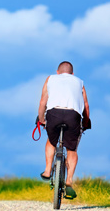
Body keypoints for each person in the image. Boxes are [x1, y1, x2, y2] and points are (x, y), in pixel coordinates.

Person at [37, 61, 90, 199]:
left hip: (53, 114)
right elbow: (86, 106)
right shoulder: (79, 82)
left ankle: (48, 170)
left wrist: (41, 119)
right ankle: (69, 181)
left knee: (51, 141)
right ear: (72, 74)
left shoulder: (50, 79)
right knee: (72, 150)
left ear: (57, 72)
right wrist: (85, 122)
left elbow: (43, 102)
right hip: (73, 115)